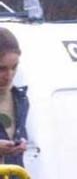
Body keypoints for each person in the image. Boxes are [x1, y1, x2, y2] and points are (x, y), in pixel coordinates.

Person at [0, 27, 27, 167]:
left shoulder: (21, 99)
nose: (9, 76)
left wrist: (20, 144)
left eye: (14, 67)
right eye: (1, 68)